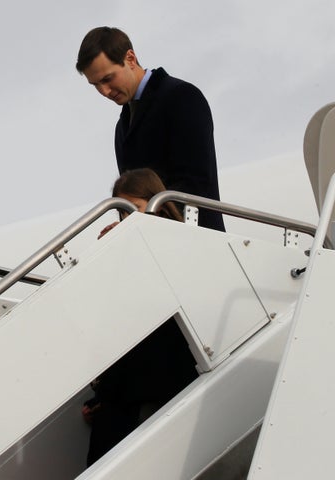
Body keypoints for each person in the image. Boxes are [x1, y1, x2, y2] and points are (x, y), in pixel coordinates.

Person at [83, 168, 199, 466]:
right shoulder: (123, 245)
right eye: (122, 211)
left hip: (162, 376)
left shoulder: (181, 244)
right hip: (128, 379)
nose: (128, 218)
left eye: (135, 208)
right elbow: (117, 323)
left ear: (157, 202)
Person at [76, 26, 225, 232]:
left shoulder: (182, 97)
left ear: (130, 58)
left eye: (108, 79)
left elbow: (195, 183)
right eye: (96, 85)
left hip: (198, 239)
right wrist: (124, 227)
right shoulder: (122, 127)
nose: (104, 91)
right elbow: (135, 196)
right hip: (155, 244)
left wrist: (141, 221)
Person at [98, 167, 183, 238]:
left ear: (158, 205)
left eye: (134, 208)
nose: (126, 217)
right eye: (122, 212)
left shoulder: (176, 234)